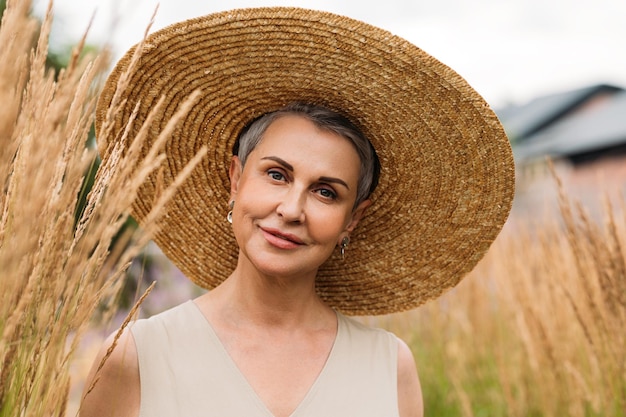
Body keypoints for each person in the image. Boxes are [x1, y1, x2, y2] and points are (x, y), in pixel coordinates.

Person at [80, 7, 515, 417]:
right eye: (276, 175)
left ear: (352, 220)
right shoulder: (135, 356)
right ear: (235, 179)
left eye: (326, 192)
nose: (291, 209)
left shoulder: (390, 365)